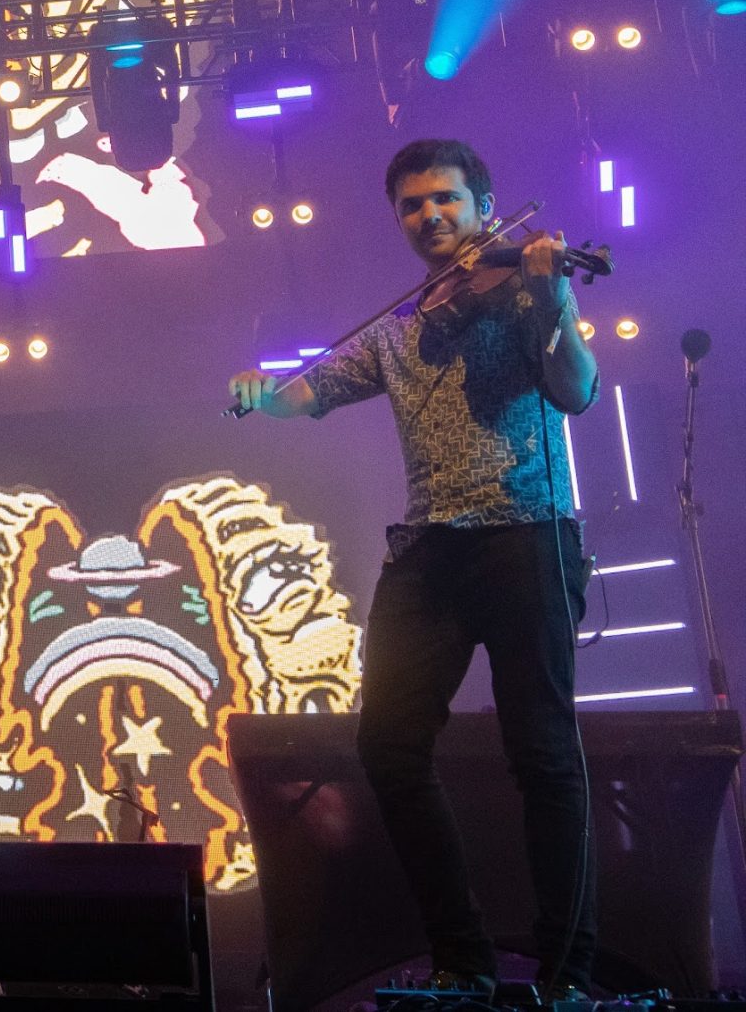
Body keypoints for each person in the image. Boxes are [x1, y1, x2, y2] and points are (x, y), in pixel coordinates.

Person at [228, 138, 599, 992]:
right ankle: (463, 959)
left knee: (543, 754)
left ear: (484, 207)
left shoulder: (525, 292)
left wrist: (550, 291)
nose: (431, 215)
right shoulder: (400, 330)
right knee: (389, 747)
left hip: (527, 538)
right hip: (431, 550)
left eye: (446, 199)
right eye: (413, 205)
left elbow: (576, 390)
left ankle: (567, 975)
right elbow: (310, 393)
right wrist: (262, 392)